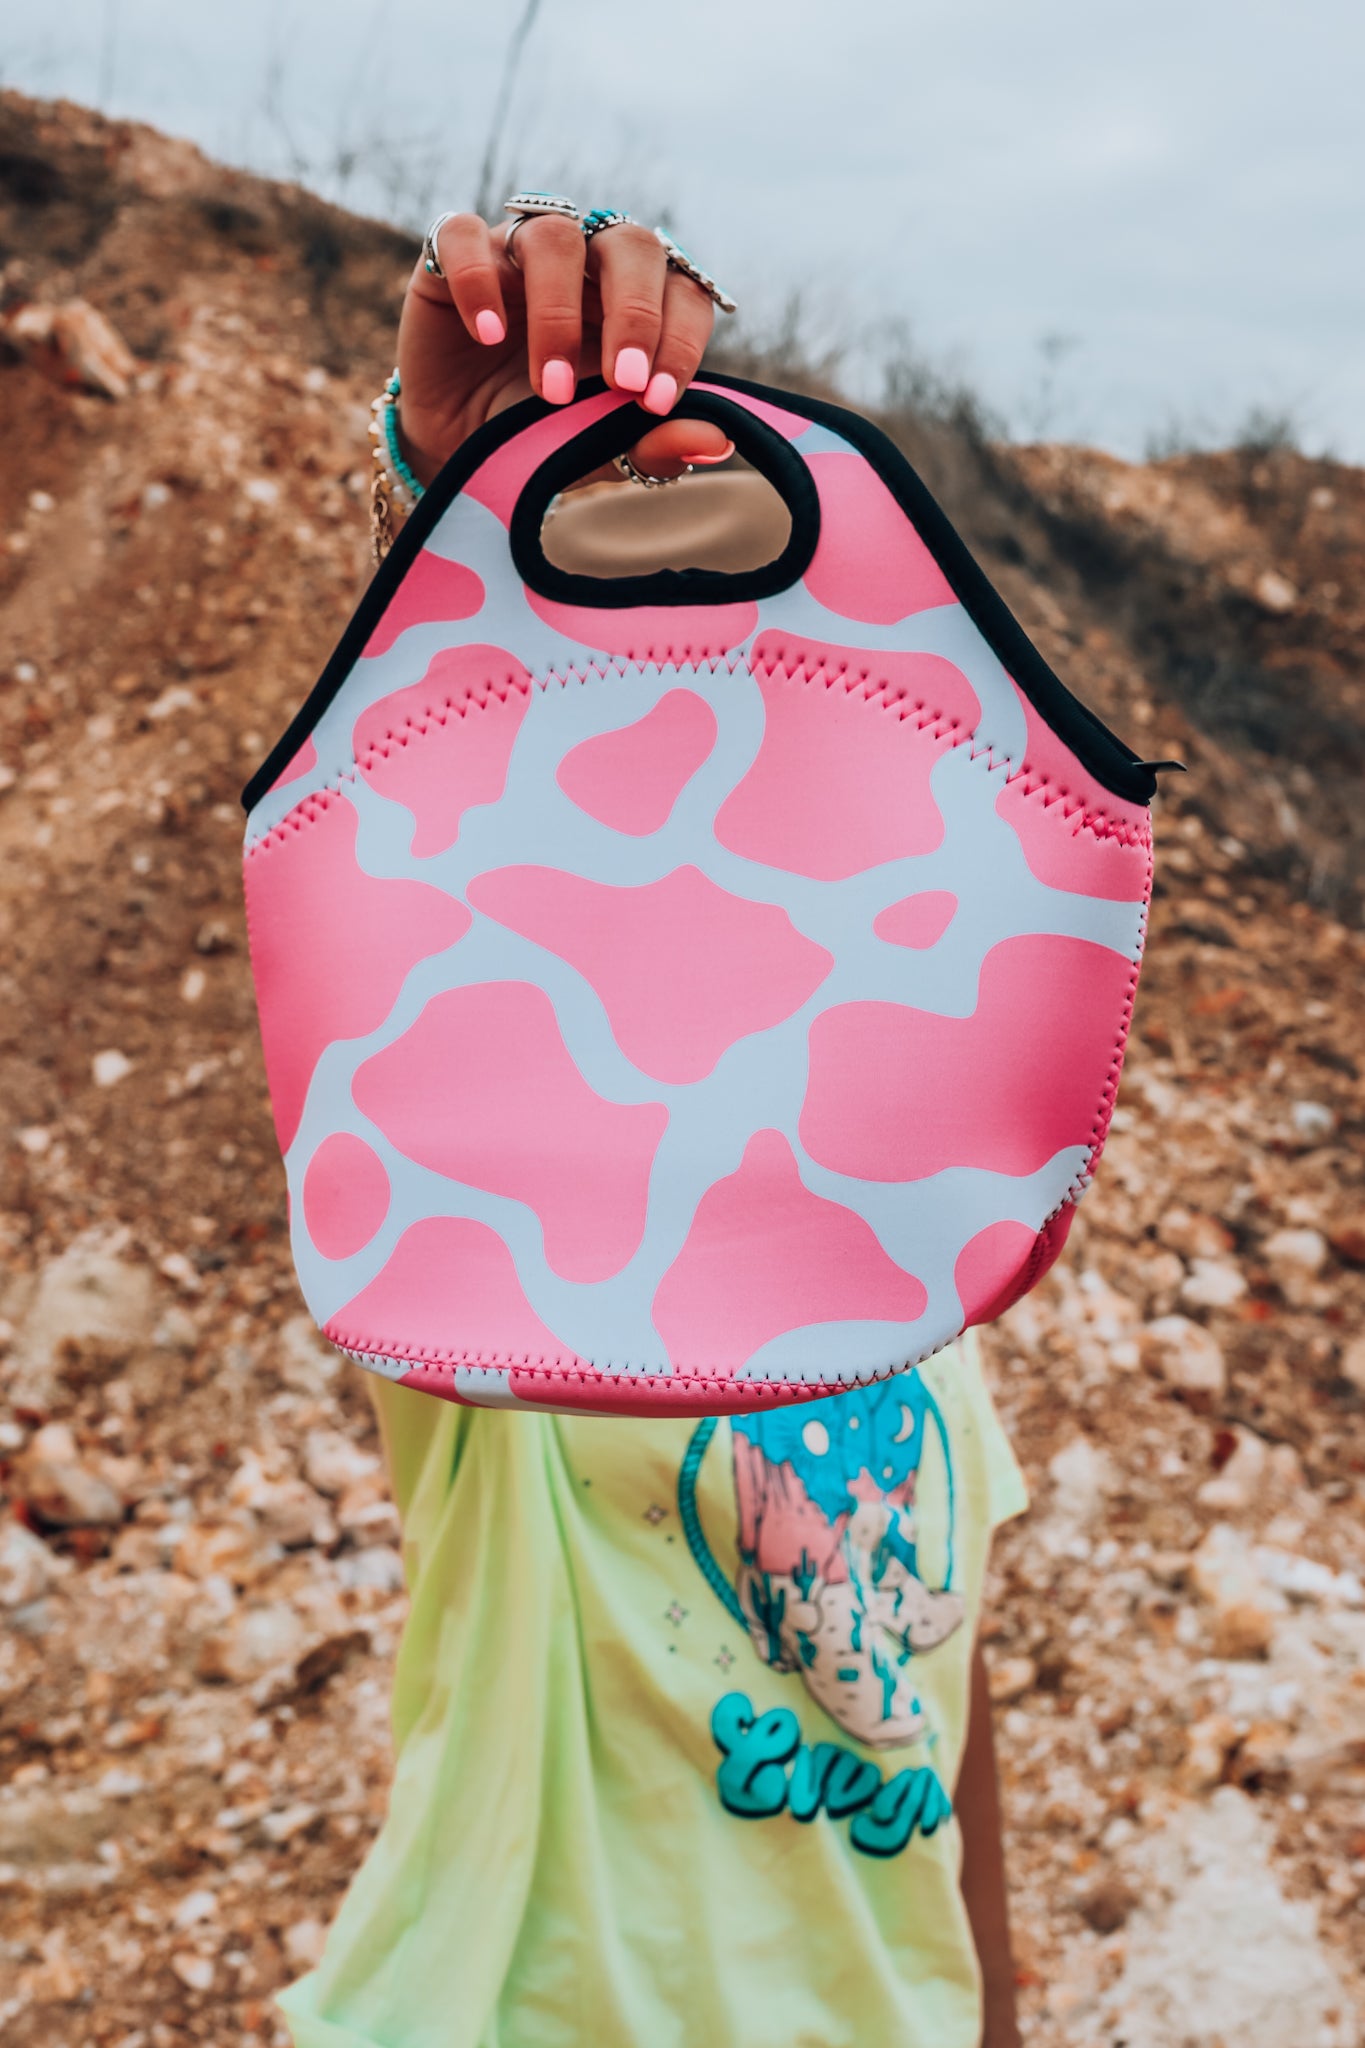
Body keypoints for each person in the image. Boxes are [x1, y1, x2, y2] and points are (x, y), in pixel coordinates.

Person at [275, 200, 1027, 2048]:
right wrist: (448, 486)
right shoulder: (498, 1214)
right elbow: (407, 853)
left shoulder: (920, 1267)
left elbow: (943, 1714)